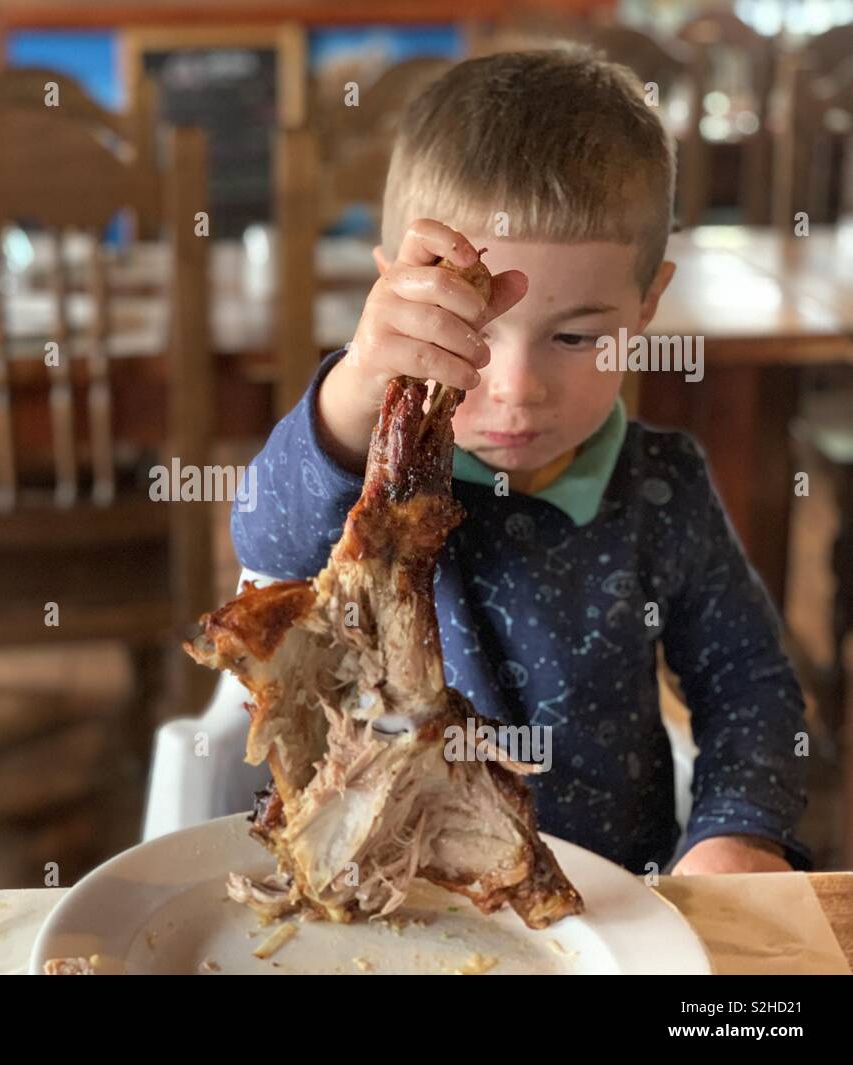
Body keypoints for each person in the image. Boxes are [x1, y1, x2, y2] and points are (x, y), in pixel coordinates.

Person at [231, 48, 809, 875]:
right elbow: (265, 539)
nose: (516, 389)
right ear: (397, 293)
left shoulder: (662, 487)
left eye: (575, 336)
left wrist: (736, 830)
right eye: (467, 329)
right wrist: (358, 383)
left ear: (646, 304)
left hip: (611, 905)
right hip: (394, 891)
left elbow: (748, 682)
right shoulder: (371, 477)